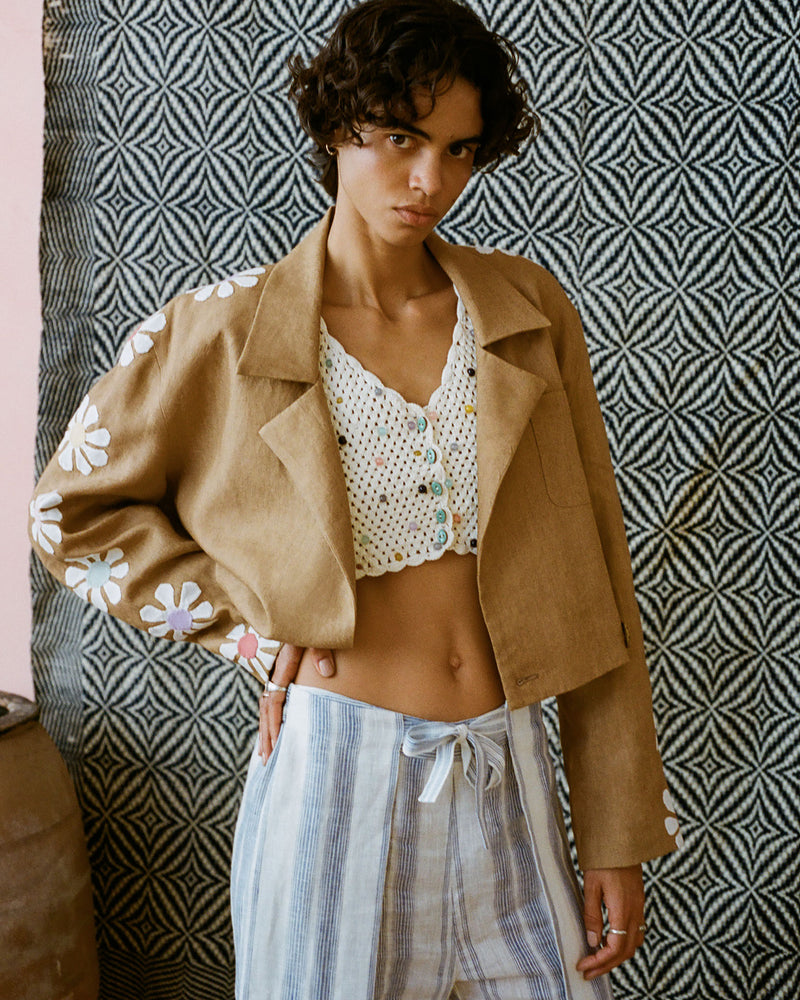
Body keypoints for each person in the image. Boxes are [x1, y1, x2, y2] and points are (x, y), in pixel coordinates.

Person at [29, 1, 681, 997]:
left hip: (507, 776)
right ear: (337, 127)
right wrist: (246, 627)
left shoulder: (527, 310)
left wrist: (615, 832)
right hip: (337, 777)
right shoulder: (224, 328)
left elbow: (598, 574)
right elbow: (65, 516)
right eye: (398, 139)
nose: (429, 182)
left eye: (459, 150)